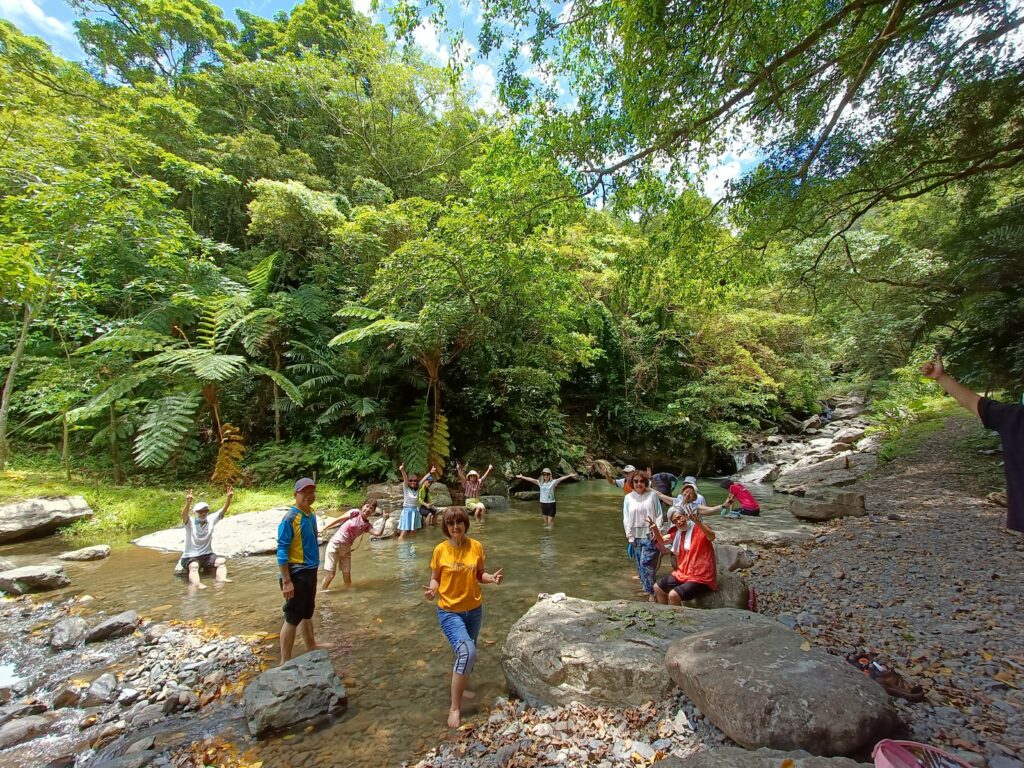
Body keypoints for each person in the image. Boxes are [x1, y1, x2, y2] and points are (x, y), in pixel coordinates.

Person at [922, 352, 1023, 533]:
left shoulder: (1015, 418)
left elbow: (976, 404)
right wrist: (941, 377)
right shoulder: (1015, 418)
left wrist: (941, 378)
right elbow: (976, 404)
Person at [423, 507, 504, 728]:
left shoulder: (476, 546)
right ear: (446, 527)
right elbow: (435, 578)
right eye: (451, 524)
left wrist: (492, 579)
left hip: (474, 610)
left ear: (465, 524)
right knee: (467, 652)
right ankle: (454, 708)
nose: (455, 527)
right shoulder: (440, 550)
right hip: (449, 610)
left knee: (468, 652)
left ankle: (462, 687)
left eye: (459, 522)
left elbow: (480, 574)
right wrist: (432, 590)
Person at [277, 477, 331, 663]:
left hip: (310, 570)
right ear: (295, 494)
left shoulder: (311, 513)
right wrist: (286, 580)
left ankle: (311, 646)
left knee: (307, 612)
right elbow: (282, 550)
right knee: (292, 616)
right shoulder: (290, 518)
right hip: (295, 573)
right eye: (304, 492)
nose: (309, 495)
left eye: (311, 492)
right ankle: (285, 661)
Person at [648, 503, 718, 605]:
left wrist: (698, 522)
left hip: (701, 576)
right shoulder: (678, 533)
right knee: (657, 587)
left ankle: (677, 619)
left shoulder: (699, 528)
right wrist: (655, 529)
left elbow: (712, 537)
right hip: (684, 573)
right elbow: (662, 541)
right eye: (675, 521)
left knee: (673, 595)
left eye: (679, 517)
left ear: (685, 515)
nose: (679, 522)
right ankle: (663, 616)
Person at [320, 499, 387, 590]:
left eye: (371, 508)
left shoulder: (367, 525)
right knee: (331, 575)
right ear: (362, 506)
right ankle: (321, 594)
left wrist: (384, 519)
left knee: (347, 576)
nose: (368, 510)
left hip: (346, 549)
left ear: (373, 512)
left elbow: (378, 533)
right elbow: (338, 520)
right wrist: (324, 528)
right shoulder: (355, 513)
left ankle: (349, 597)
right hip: (334, 544)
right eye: (367, 506)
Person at [176, 486, 232, 588]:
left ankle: (221, 579)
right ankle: (196, 584)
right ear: (195, 513)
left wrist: (229, 498)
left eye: (205, 511)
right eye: (200, 511)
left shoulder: (211, 520)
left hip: (207, 555)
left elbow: (223, 510)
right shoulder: (190, 522)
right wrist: (188, 503)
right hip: (190, 556)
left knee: (221, 561)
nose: (203, 513)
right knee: (194, 566)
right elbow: (184, 515)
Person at [622, 473, 664, 599]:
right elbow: (626, 518)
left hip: (650, 535)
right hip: (635, 537)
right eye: (636, 481)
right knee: (641, 565)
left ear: (646, 482)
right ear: (632, 483)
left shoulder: (653, 496)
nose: (639, 484)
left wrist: (657, 531)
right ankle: (649, 589)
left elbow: (659, 515)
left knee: (646, 563)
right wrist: (629, 537)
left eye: (641, 481)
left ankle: (652, 593)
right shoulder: (628, 498)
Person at [398, 464, 432, 540]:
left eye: (415, 481)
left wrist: (430, 472)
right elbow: (405, 479)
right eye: (411, 481)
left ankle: (412, 550)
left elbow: (423, 479)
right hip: (407, 511)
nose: (413, 482)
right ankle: (401, 550)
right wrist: (402, 470)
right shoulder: (406, 488)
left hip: (415, 511)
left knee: (414, 533)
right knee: (404, 533)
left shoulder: (418, 488)